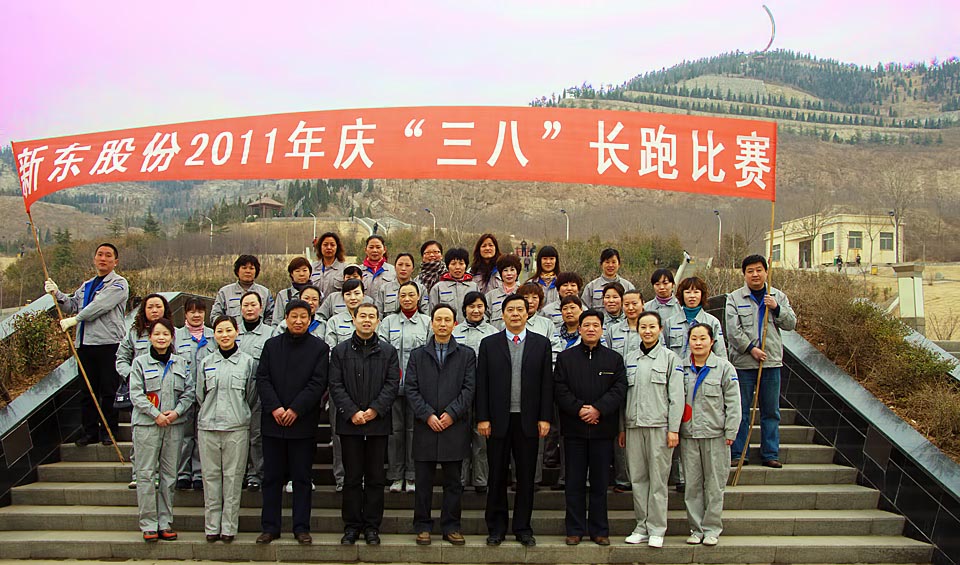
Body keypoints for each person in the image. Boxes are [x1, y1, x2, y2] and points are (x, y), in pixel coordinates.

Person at [476, 294, 553, 547]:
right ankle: (496, 528)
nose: (516, 314)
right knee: (497, 475)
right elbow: (482, 384)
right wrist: (483, 418)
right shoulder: (489, 344)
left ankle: (523, 528)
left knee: (526, 477)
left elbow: (546, 384)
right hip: (498, 420)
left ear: (528, 313)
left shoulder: (541, 344)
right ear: (503, 314)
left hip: (529, 421)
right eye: (511, 310)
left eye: (520, 309)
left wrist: (545, 417)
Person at [255, 299, 329, 545]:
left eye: (303, 317)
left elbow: (318, 383)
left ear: (310, 320)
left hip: (303, 424)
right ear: (285, 318)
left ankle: (301, 527)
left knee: (302, 479)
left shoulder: (319, 348)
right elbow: (263, 379)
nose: (298, 321)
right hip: (273, 422)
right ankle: (270, 527)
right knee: (271, 478)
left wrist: (296, 409)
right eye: (294, 316)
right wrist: (276, 408)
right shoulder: (271, 345)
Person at [329, 302, 401, 546]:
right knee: (352, 478)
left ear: (378, 321)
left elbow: (392, 384)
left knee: (375, 478)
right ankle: (351, 526)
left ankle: (372, 526)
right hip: (350, 424)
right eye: (363, 316)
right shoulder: (340, 351)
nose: (367, 320)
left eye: (372, 316)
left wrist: (374, 410)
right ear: (354, 319)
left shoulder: (388, 351)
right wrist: (352, 412)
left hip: (377, 423)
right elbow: (335, 384)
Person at [554, 309, 627, 546]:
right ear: (580, 329)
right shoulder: (566, 358)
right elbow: (560, 389)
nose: (591, 329)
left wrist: (598, 409)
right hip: (573, 430)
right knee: (573, 483)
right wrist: (579, 410)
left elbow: (619, 389)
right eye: (586, 325)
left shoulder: (613, 359)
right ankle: (574, 529)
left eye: (596, 325)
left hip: (602, 431)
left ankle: (599, 530)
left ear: (602, 329)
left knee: (599, 483)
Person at [45, 242, 129, 447]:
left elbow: (100, 306)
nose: (103, 258)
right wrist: (57, 294)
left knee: (108, 390)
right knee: (87, 391)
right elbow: (72, 305)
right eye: (100, 254)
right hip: (85, 344)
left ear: (115, 261)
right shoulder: (87, 285)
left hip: (109, 343)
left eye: (108, 255)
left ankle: (109, 431)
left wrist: (75, 320)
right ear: (94, 258)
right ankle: (89, 431)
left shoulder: (119, 284)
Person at [405, 304, 476, 546]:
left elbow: (469, 389)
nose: (443, 324)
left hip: (454, 426)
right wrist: (428, 415)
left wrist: (451, 414)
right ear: (432, 323)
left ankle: (451, 526)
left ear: (455, 324)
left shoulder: (466, 355)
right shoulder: (418, 355)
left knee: (453, 482)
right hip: (426, 425)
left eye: (447, 320)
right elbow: (411, 389)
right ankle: (423, 526)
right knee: (423, 482)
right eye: (438, 319)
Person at [725, 255, 797, 469]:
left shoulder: (777, 296)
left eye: (759, 270)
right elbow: (733, 331)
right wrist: (751, 349)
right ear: (744, 274)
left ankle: (770, 453)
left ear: (766, 272)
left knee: (771, 411)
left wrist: (776, 308)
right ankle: (739, 453)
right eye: (750, 271)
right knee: (741, 410)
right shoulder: (734, 298)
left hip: (771, 362)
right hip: (743, 363)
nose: (755, 274)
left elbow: (791, 324)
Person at [620, 311, 684, 548]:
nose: (647, 331)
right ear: (637, 329)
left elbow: (676, 397)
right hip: (634, 426)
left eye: (652, 327)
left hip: (659, 427)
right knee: (637, 479)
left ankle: (657, 528)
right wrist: (622, 428)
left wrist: (674, 429)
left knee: (658, 481)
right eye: (643, 327)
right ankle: (641, 526)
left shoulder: (670, 359)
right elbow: (623, 397)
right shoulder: (629, 358)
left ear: (660, 330)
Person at [129, 318, 192, 542]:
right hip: (147, 425)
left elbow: (189, 393)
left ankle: (165, 522)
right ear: (150, 337)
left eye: (166, 334)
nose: (161, 338)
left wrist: (176, 413)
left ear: (172, 337)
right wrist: (155, 414)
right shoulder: (139, 363)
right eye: (157, 334)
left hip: (173, 426)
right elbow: (136, 394)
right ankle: (148, 524)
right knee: (146, 474)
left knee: (169, 476)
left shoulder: (181, 363)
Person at [196, 315, 258, 543]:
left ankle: (229, 527)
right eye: (219, 331)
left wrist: (239, 413)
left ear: (236, 332)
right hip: (208, 427)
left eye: (228, 330)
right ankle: (212, 526)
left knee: (233, 478)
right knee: (210, 477)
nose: (224, 335)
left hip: (236, 427)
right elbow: (200, 394)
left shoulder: (248, 362)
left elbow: (251, 395)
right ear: (214, 334)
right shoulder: (206, 362)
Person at [680, 324, 741, 546]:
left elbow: (734, 402)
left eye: (703, 338)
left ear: (712, 341)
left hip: (716, 435)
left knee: (715, 485)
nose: (698, 343)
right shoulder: (681, 368)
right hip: (689, 435)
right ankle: (696, 529)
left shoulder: (724, 368)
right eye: (694, 339)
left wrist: (731, 430)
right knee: (692, 486)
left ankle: (712, 529)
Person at [377, 281, 431, 493]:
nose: (407, 299)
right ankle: (395, 475)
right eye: (403, 295)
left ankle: (411, 475)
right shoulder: (388, 322)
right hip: (393, 389)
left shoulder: (427, 322)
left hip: (419, 390)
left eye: (411, 295)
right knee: (395, 433)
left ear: (418, 297)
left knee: (414, 432)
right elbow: (382, 354)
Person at [116, 293, 172, 489]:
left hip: (167, 392)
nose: (154, 310)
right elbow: (121, 359)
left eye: (158, 306)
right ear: (143, 310)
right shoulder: (134, 333)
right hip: (142, 395)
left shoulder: (174, 331)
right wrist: (133, 377)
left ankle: (162, 475)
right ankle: (138, 474)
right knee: (140, 438)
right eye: (150, 307)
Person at [323, 278, 369, 492]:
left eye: (357, 293)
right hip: (341, 386)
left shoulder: (371, 317)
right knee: (339, 436)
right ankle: (342, 477)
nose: (353, 297)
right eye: (348, 294)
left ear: (363, 295)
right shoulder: (334, 322)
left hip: (367, 387)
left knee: (367, 437)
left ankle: (364, 477)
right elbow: (331, 352)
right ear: (342, 298)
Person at [451, 292, 498, 493]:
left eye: (480, 306)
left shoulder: (494, 333)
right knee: (460, 437)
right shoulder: (455, 332)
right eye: (471, 306)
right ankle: (460, 480)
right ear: (464, 309)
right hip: (459, 391)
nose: (476, 310)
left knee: (481, 438)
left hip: (484, 391)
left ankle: (481, 480)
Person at [605, 289, 645, 493]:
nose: (630, 308)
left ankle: (641, 478)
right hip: (618, 387)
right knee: (619, 434)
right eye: (626, 304)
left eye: (634, 303)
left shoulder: (648, 327)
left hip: (643, 387)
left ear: (642, 304)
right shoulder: (613, 330)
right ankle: (622, 478)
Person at [175, 297, 216, 491]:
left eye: (200, 311)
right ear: (185, 314)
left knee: (202, 436)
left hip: (207, 395)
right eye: (192, 311)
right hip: (183, 394)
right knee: (184, 436)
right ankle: (183, 473)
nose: (196, 315)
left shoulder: (213, 335)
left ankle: (200, 473)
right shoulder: (176, 336)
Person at [236, 291, 271, 491]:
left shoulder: (270, 333)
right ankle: (238, 473)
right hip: (235, 391)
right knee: (237, 435)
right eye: (246, 305)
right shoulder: (232, 330)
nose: (249, 309)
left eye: (253, 305)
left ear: (261, 308)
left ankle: (256, 473)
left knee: (256, 435)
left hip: (259, 391)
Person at [664, 277, 727, 362]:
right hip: (677, 369)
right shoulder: (670, 323)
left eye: (696, 292)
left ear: (702, 295)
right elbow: (665, 353)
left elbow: (720, 353)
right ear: (682, 295)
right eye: (688, 292)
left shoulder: (712, 322)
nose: (692, 296)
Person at [211, 254, 274, 323]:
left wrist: (264, 328)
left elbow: (271, 317)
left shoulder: (265, 292)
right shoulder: (225, 292)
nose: (248, 271)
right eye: (244, 268)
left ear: (256, 271)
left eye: (251, 268)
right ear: (237, 271)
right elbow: (215, 315)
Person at [429, 247, 478, 322]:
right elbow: (431, 313)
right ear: (448, 266)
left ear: (466, 265)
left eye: (461, 263)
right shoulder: (438, 288)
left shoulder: (474, 287)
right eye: (453, 264)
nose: (457, 267)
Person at [273, 257, 314, 326]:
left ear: (310, 272)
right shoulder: (283, 294)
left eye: (304, 270)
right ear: (291, 274)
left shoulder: (317, 294)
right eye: (297, 271)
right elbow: (276, 322)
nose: (301, 274)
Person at [484, 254, 521, 327]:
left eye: (512, 270)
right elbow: (484, 317)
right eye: (505, 270)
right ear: (500, 273)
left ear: (517, 272)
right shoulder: (490, 296)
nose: (509, 273)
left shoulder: (523, 293)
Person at [311, 232, 348, 298]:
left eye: (332, 245)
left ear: (337, 247)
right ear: (320, 247)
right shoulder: (312, 268)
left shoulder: (345, 268)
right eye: (325, 245)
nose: (329, 247)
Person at [360, 235, 396, 299]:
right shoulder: (359, 271)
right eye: (371, 247)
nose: (374, 250)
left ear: (384, 249)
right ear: (365, 250)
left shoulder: (393, 271)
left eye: (378, 247)